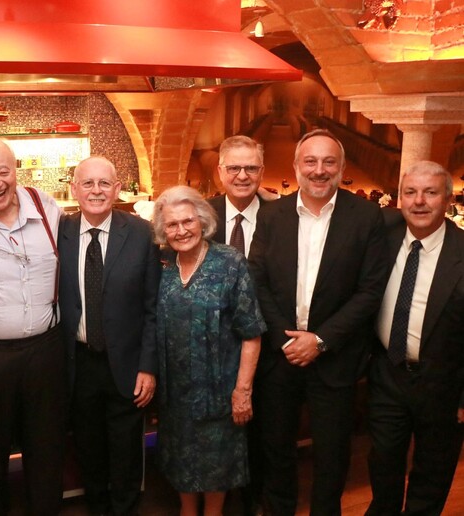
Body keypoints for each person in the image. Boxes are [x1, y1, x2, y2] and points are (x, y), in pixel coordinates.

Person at [248, 128, 388, 515]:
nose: (319, 170)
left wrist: (321, 340)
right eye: (310, 161)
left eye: (329, 162)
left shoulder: (366, 217)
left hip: (336, 359)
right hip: (281, 358)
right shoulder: (272, 215)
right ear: (296, 167)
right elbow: (257, 281)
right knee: (276, 450)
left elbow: (370, 291)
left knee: (332, 456)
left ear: (341, 168)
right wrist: (286, 339)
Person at [0, 137, 64, 515]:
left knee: (47, 448)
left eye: (3, 171)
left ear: (15, 169)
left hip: (46, 350)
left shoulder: (46, 206)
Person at [152, 185, 265, 516]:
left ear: (202, 221)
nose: (181, 230)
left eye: (188, 221)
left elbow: (252, 333)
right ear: (163, 230)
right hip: (175, 396)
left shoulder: (229, 263)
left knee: (217, 467)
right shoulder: (163, 267)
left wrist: (242, 391)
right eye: (172, 225)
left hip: (219, 391)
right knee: (181, 464)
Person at [59, 156, 161, 515]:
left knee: (126, 453)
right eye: (88, 183)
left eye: (105, 183)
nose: (96, 191)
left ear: (118, 189)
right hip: (79, 362)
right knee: (88, 449)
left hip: (129, 365)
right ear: (74, 189)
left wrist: (148, 366)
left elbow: (153, 307)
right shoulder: (60, 233)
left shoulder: (141, 233)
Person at [366, 160, 464, 515]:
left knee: (432, 473)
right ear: (399, 199)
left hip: (444, 384)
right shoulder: (382, 237)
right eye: (410, 192)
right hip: (387, 375)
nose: (419, 201)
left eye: (430, 192)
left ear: (448, 200)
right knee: (383, 463)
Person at [207, 134, 269, 516]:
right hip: (212, 350)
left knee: (263, 435)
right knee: (217, 435)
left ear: (262, 171)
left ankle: (254, 503)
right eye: (234, 167)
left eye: (251, 168)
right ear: (220, 172)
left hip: (265, 345)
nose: (242, 175)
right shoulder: (202, 216)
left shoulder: (283, 218)